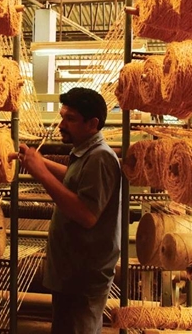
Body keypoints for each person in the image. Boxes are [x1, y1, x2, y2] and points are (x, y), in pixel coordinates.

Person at [18, 87, 122, 334]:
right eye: (62, 116)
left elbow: (87, 215)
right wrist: (41, 162)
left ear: (93, 123)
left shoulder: (100, 158)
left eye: (70, 119)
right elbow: (75, 180)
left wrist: (40, 173)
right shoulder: (87, 153)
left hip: (83, 276)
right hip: (72, 272)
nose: (61, 125)